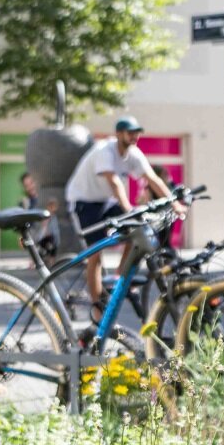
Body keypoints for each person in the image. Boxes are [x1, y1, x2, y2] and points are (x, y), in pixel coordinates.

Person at [64, 117, 173, 315]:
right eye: (130, 132)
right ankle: (97, 307)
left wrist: (175, 203)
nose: (135, 136)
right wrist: (127, 207)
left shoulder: (133, 154)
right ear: (118, 134)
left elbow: (153, 178)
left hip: (106, 201)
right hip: (84, 201)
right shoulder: (105, 151)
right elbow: (115, 183)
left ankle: (118, 277)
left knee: (137, 228)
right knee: (95, 255)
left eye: (137, 132)